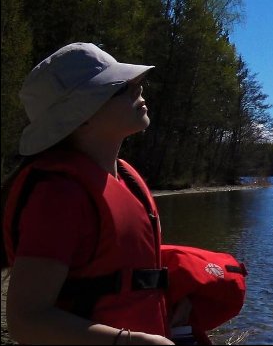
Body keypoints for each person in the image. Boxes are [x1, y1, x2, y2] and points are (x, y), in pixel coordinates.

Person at [2, 42, 178, 344]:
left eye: (136, 83)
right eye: (122, 87)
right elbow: (25, 320)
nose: (138, 89)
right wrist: (129, 342)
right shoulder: (59, 196)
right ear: (81, 115)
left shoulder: (125, 178)